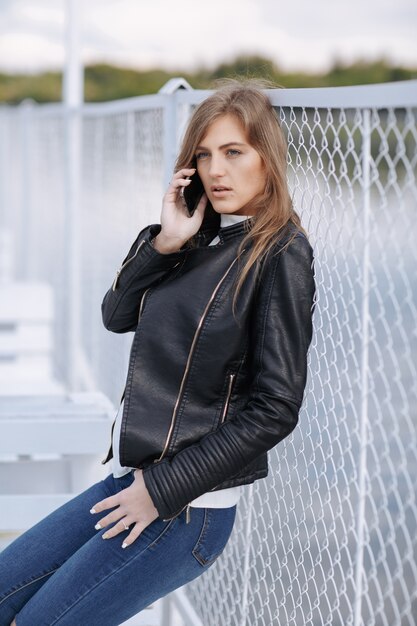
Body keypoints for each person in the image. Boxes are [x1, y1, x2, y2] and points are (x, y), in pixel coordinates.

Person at [0, 80, 315, 625]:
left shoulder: (281, 251)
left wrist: (162, 491)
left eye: (234, 152)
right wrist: (165, 243)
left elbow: (275, 408)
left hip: (185, 510)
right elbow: (115, 315)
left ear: (268, 159)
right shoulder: (196, 237)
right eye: (204, 155)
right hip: (128, 483)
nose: (217, 171)